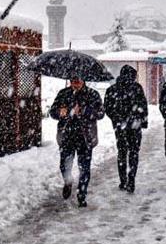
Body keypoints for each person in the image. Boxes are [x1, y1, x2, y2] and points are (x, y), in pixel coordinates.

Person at [49, 77, 105, 207]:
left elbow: (101, 113)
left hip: (85, 137)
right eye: (73, 81)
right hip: (67, 136)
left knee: (84, 167)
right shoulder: (63, 94)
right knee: (64, 165)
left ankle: (82, 193)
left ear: (83, 81)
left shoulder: (92, 94)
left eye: (78, 81)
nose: (75, 83)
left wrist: (84, 111)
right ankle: (68, 182)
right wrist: (60, 112)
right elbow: (52, 112)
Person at [104, 65, 148, 194]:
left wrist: (116, 120)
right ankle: (131, 179)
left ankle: (123, 180)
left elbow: (107, 107)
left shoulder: (112, 89)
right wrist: (143, 122)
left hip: (120, 127)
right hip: (135, 126)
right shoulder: (137, 88)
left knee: (122, 153)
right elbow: (143, 106)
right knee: (134, 153)